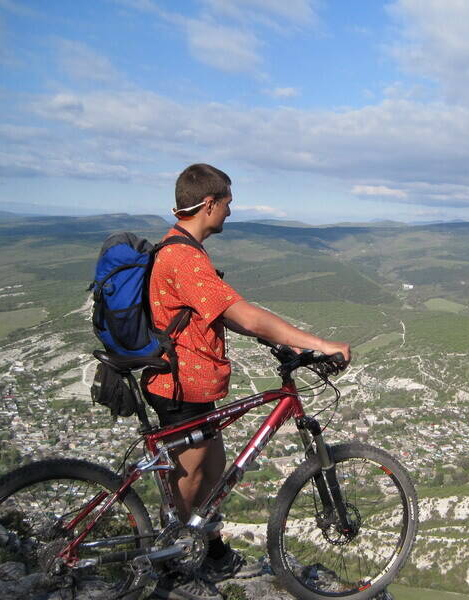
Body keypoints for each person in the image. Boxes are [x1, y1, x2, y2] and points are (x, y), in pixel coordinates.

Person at [143, 163, 351, 600]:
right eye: (228, 203)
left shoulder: (185, 248)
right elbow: (245, 315)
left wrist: (279, 344)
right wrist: (317, 342)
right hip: (179, 385)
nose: (230, 212)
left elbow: (219, 315)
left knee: (212, 468)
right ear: (209, 204)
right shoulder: (183, 258)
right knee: (190, 476)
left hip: (193, 384)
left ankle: (213, 552)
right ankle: (171, 568)